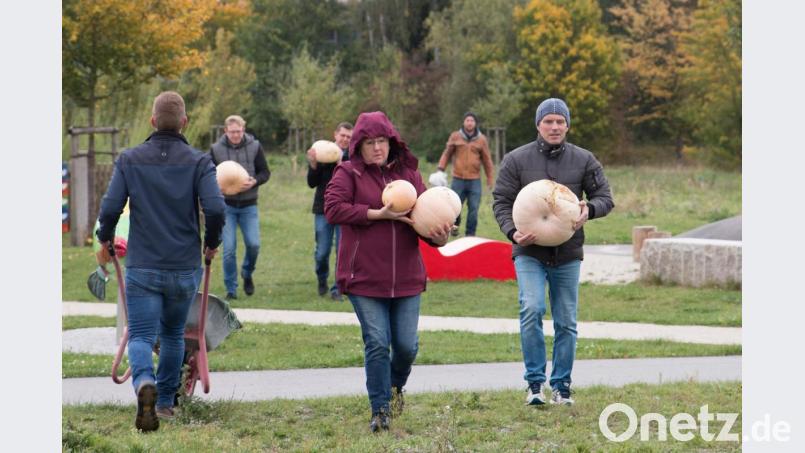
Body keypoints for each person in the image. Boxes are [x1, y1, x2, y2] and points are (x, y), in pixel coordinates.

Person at [96, 91, 225, 431]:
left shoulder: (129, 159)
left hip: (143, 265)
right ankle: (165, 403)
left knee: (139, 334)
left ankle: (142, 383)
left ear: (153, 121)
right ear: (185, 122)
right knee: (171, 335)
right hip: (183, 266)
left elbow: (109, 209)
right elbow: (215, 208)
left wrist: (105, 239)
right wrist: (211, 244)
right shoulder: (200, 162)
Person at [324, 111, 451, 432]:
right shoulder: (348, 172)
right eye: (369, 143)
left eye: (381, 141)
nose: (377, 148)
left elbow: (425, 218)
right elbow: (333, 208)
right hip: (363, 278)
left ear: (391, 142)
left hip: (407, 277)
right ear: (359, 145)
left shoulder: (409, 174)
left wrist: (439, 236)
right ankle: (380, 409)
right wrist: (376, 214)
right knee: (378, 342)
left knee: (407, 347)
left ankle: (394, 388)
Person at [492, 98, 614, 406]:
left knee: (566, 320)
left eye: (560, 122)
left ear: (568, 125)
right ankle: (535, 384)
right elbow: (501, 202)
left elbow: (605, 197)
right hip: (529, 250)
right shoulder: (516, 160)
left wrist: (591, 209)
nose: (555, 126)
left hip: (568, 252)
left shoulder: (584, 160)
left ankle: (561, 386)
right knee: (531, 309)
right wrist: (511, 231)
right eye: (549, 121)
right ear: (538, 124)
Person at [209, 115, 271, 300]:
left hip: (248, 205)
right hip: (226, 206)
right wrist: (215, 186)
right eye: (232, 132)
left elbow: (265, 172)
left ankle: (246, 272)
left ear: (243, 130)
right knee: (228, 249)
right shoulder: (215, 149)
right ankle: (231, 289)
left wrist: (254, 182)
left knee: (254, 244)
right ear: (225, 131)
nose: (235, 135)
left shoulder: (254, 146)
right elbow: (207, 173)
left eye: (239, 131)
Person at [306, 122, 353, 301]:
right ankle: (322, 278)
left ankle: (337, 289)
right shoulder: (323, 154)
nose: (345, 139)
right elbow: (312, 183)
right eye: (342, 135)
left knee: (342, 250)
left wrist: (342, 164)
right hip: (323, 209)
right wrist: (313, 164)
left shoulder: (353, 157)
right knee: (322, 252)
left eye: (349, 137)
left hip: (344, 210)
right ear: (335, 134)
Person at [435, 111, 495, 237]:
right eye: (467, 120)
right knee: (455, 208)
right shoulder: (455, 136)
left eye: (472, 120)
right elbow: (447, 153)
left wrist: (490, 178)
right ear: (464, 122)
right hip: (458, 179)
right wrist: (440, 168)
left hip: (474, 180)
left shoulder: (482, 139)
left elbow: (487, 160)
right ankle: (454, 228)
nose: (469, 123)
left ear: (475, 123)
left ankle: (470, 234)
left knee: (473, 209)